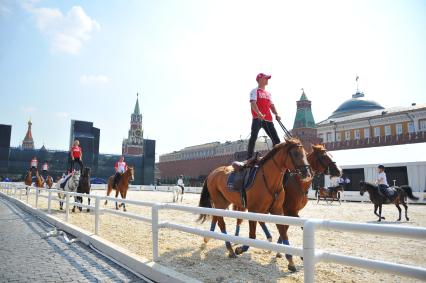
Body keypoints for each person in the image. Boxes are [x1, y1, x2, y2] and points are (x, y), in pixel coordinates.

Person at [247, 73, 281, 158]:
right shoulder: (254, 91)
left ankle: (277, 157)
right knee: (253, 137)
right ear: (260, 79)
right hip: (257, 119)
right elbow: (253, 103)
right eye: (265, 78)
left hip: (268, 120)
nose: (267, 80)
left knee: (276, 140)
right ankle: (249, 157)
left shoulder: (268, 94)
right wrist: (258, 113)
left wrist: (276, 114)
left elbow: (272, 105)